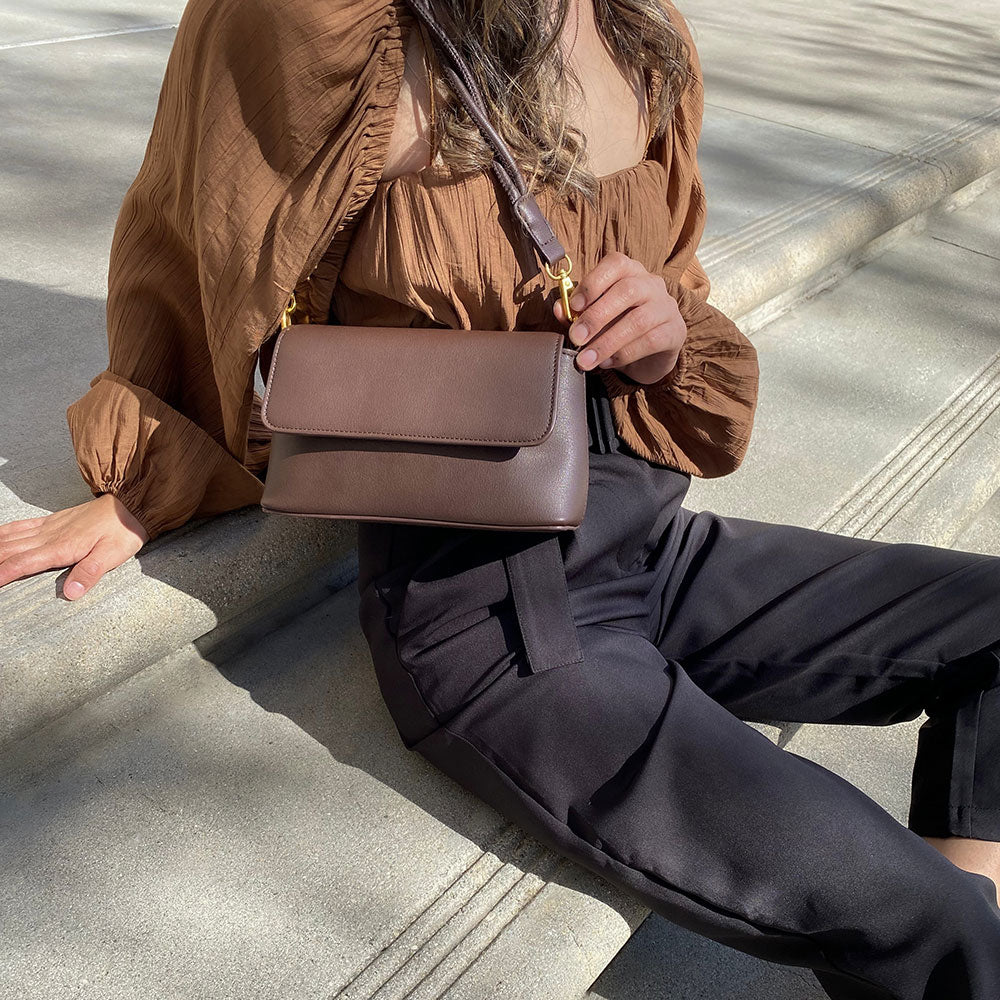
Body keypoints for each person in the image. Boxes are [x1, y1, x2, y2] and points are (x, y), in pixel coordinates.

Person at [0, 1, 997, 996]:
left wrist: (665, 337)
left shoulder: (640, 31)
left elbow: (674, 276)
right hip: (494, 616)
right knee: (927, 916)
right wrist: (154, 466)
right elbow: (204, 238)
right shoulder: (322, 27)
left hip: (647, 542)